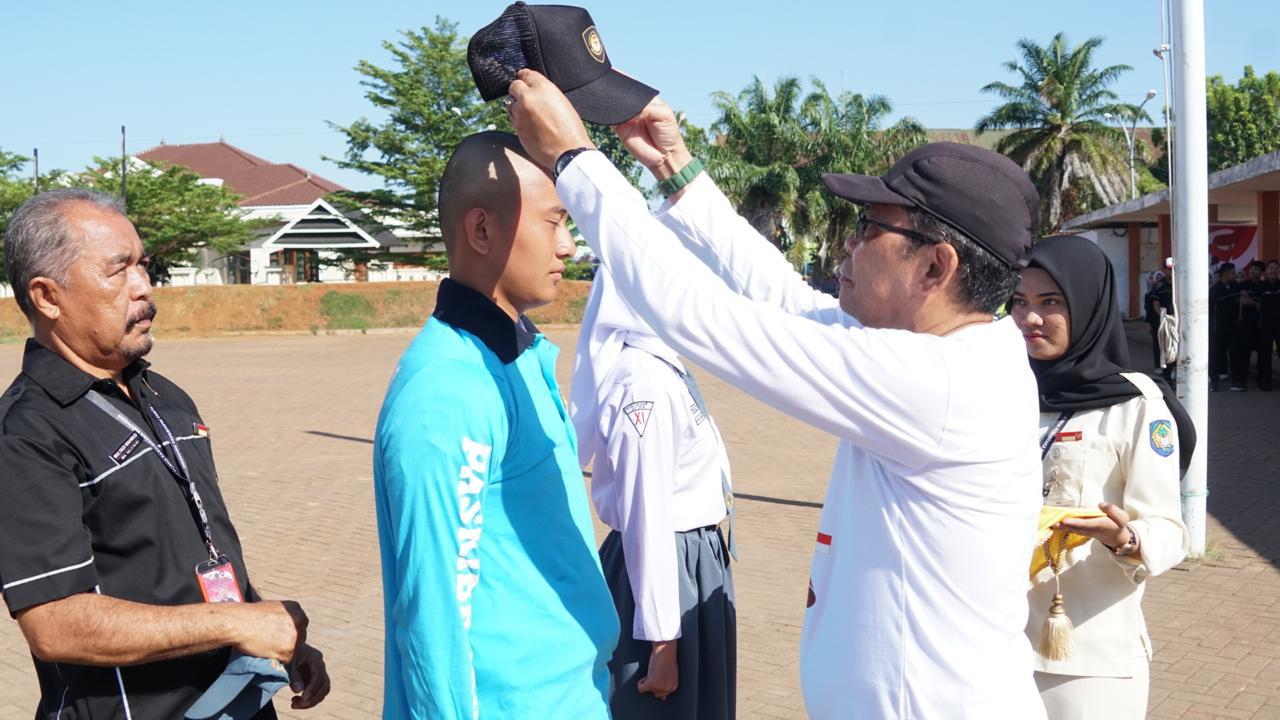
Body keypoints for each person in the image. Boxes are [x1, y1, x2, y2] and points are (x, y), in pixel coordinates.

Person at [508, 70, 1047, 719]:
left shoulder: (938, 384)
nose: (847, 243)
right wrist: (679, 174)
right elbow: (786, 299)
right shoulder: (952, 353)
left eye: (868, 228)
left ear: (935, 267)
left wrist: (575, 160)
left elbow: (697, 314)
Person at [0, 189, 329, 719]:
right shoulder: (27, 432)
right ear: (47, 296)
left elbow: (197, 552)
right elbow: (54, 623)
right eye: (118, 270)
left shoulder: (167, 397)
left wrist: (273, 635)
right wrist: (235, 623)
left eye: (143, 265)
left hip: (238, 699)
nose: (144, 287)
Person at [371, 131, 618, 719]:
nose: (568, 246)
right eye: (553, 222)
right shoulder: (447, 390)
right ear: (482, 230)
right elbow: (434, 618)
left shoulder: (518, 356)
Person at [1010, 234, 1190, 719]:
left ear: (1088, 304)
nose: (1030, 318)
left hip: (1088, 659)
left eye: (1051, 302)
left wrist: (1125, 538)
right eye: (1019, 301)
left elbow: (1170, 531)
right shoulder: (1000, 387)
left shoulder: (1136, 403)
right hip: (993, 647)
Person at [570, 266, 736, 719]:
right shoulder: (645, 385)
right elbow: (647, 518)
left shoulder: (661, 367)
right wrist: (662, 642)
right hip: (665, 574)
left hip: (685, 565)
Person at [1208, 263, 1240, 391]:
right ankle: (1214, 383)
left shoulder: (1235, 286)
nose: (1235, 274)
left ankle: (1237, 382)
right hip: (1217, 329)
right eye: (1233, 272)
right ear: (1226, 273)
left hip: (1233, 327)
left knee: (1235, 355)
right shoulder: (1215, 290)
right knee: (1215, 355)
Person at [1143, 271, 1174, 382]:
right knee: (1160, 343)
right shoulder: (1156, 288)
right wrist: (1149, 322)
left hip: (1174, 319)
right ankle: (1162, 368)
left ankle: (1171, 368)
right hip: (1159, 320)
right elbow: (1150, 308)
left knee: (1173, 344)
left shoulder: (1177, 284)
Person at [1259, 260, 1280, 391]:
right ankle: (1265, 381)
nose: (1273, 271)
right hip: (1265, 325)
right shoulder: (1261, 286)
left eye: (1276, 268)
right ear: (1267, 271)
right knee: (1265, 354)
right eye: (1271, 268)